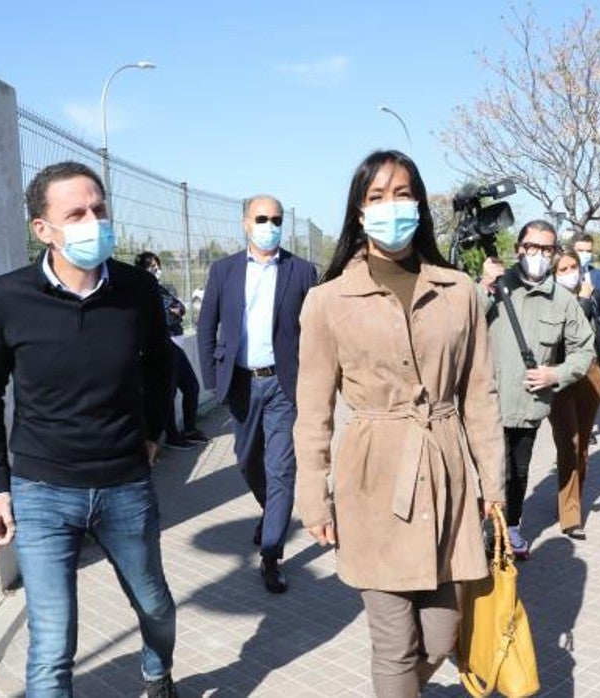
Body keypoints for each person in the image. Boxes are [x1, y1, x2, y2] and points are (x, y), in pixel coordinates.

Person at [294, 150, 506, 697]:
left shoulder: (459, 291)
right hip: (372, 476)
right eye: (377, 197)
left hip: (446, 472)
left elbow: (480, 392)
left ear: (420, 203)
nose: (392, 207)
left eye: (403, 193)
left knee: (442, 635)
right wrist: (313, 499)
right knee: (393, 646)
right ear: (358, 213)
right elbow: (313, 412)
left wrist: (493, 483)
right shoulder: (327, 301)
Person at [0, 162, 177, 697]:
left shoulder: (135, 289)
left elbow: (160, 365)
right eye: (76, 213)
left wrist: (153, 432)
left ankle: (156, 674)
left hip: (125, 484)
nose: (92, 222)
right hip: (41, 491)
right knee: (53, 645)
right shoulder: (6, 298)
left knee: (155, 606)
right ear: (43, 229)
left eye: (99, 210)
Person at [197, 194, 316, 594]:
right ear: (246, 223)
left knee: (282, 468)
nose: (270, 225)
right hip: (242, 383)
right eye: (262, 218)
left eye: (277, 219)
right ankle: (272, 514)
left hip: (284, 384)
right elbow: (206, 326)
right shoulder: (224, 270)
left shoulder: (302, 271)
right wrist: (214, 381)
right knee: (248, 461)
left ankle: (270, 554)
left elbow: (312, 332)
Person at [480, 222, 594, 551]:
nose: (539, 255)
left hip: (530, 404)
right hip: (488, 404)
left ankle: (511, 526)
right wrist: (484, 284)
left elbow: (584, 348)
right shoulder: (498, 286)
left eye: (547, 249)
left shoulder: (561, 299)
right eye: (532, 247)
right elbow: (462, 321)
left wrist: (556, 374)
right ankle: (486, 531)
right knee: (489, 473)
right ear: (518, 247)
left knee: (518, 471)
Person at [545, 250, 600, 541]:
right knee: (569, 443)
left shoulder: (590, 291)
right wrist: (584, 301)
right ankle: (571, 516)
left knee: (582, 448)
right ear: (553, 274)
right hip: (561, 375)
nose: (570, 272)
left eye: (573, 266)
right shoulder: (550, 300)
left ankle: (569, 500)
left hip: (592, 373)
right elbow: (565, 327)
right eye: (562, 268)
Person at [135, 251, 205, 450]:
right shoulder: (141, 291)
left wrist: (175, 311)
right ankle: (172, 436)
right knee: (168, 393)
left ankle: (189, 429)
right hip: (162, 345)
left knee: (191, 386)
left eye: (157, 266)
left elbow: (180, 308)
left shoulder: (162, 289)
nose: (157, 270)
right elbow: (165, 318)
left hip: (176, 342)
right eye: (152, 267)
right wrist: (172, 313)